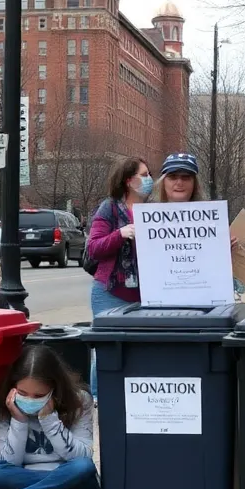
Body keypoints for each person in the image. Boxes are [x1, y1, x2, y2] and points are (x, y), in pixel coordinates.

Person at [0, 344, 100, 489]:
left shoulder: (80, 401)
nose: (30, 399)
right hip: (36, 477)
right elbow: (9, 463)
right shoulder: (5, 406)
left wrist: (49, 420)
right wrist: (19, 420)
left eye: (39, 395)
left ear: (54, 389)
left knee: (83, 466)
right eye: (23, 393)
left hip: (66, 472)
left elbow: (81, 456)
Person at [85, 157, 153, 396]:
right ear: (128, 180)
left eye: (149, 175)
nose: (149, 180)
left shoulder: (154, 208)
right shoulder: (110, 208)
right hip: (110, 293)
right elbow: (93, 248)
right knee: (106, 350)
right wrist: (120, 234)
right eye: (144, 175)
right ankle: (100, 399)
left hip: (148, 295)